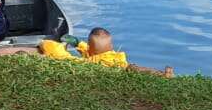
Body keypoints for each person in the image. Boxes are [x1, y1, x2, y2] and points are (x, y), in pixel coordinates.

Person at [39, 27, 174, 77]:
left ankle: (161, 75)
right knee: (134, 67)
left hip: (121, 68)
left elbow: (61, 55)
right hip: (122, 64)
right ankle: (161, 74)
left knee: (134, 69)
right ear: (111, 45)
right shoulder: (113, 54)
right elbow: (91, 51)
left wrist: (45, 43)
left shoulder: (93, 62)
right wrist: (78, 43)